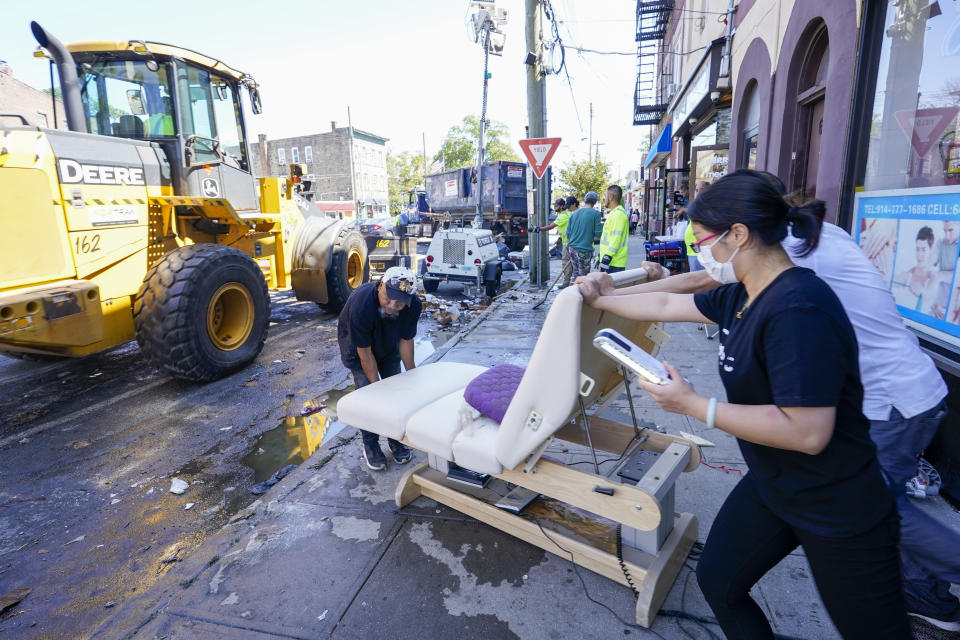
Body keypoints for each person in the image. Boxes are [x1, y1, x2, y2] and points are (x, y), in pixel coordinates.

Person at [580, 170, 960, 633]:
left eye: (703, 240)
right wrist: (605, 297)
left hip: (834, 501)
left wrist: (695, 406)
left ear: (739, 235)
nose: (702, 252)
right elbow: (664, 306)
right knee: (719, 583)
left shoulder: (800, 307)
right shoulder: (743, 293)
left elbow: (807, 431)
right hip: (774, 483)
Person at [337, 266, 420, 470]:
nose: (392, 306)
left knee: (397, 392)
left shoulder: (413, 305)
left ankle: (395, 439)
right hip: (358, 350)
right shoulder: (362, 304)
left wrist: (413, 376)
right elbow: (364, 352)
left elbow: (406, 340)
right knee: (370, 396)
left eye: (399, 302)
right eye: (388, 298)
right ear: (381, 286)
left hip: (388, 345)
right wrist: (377, 389)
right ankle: (371, 444)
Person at [535, 198, 572, 287]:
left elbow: (551, 226)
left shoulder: (563, 215)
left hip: (568, 243)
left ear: (562, 206)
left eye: (557, 205)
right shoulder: (565, 214)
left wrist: (539, 229)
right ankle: (571, 282)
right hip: (568, 242)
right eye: (554, 205)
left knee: (566, 262)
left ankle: (567, 283)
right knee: (570, 263)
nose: (555, 207)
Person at [565, 191, 602, 280]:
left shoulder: (574, 214)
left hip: (572, 249)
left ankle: (572, 292)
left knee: (575, 274)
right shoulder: (596, 214)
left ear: (585, 200)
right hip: (584, 250)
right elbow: (598, 233)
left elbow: (568, 234)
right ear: (595, 202)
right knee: (583, 277)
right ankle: (579, 293)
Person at [596, 185, 629, 273]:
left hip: (614, 262)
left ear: (610, 197)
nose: (604, 198)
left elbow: (616, 238)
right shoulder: (614, 213)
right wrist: (601, 256)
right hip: (611, 261)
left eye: (605, 196)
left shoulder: (618, 214)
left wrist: (607, 257)